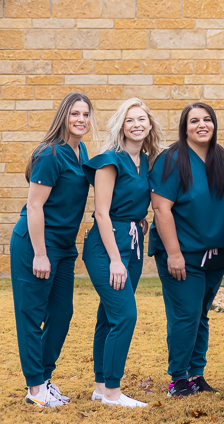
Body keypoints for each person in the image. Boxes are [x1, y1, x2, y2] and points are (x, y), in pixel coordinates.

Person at [10, 92, 96, 407]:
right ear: (64, 116)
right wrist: (40, 253)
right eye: (75, 114)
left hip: (64, 247)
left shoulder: (81, 150)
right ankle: (35, 390)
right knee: (32, 316)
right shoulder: (49, 154)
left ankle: (44, 379)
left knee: (61, 313)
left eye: (86, 115)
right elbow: (34, 207)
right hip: (35, 245)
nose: (81, 120)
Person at [82, 98, 164, 408]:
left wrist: (139, 221)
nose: (137, 124)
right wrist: (115, 259)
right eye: (130, 120)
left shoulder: (146, 160)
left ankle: (101, 386)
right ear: (121, 125)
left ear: (150, 124)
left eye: (142, 119)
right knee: (125, 315)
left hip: (133, 245)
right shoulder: (109, 160)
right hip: (107, 247)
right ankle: (114, 393)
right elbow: (101, 213)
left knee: (109, 315)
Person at [148, 102, 224, 397]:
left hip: (215, 255)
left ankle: (197, 375)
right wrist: (173, 253)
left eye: (207, 119)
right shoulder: (171, 160)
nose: (202, 125)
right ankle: (178, 379)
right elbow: (161, 209)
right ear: (185, 126)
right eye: (194, 120)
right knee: (185, 315)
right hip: (181, 255)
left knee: (201, 314)